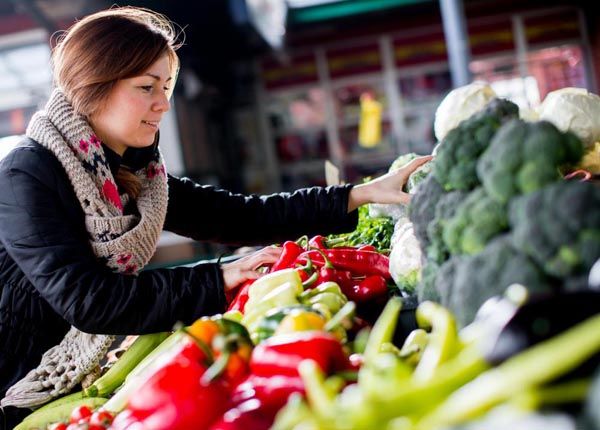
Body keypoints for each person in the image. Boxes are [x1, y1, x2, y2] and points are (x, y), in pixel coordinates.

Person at [0, 6, 430, 428]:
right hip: (11, 382)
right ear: (95, 85)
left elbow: (239, 217)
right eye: (147, 87)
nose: (163, 105)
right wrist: (218, 278)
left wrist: (357, 195)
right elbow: (90, 300)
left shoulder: (134, 175)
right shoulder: (27, 174)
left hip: (64, 379)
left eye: (166, 87)